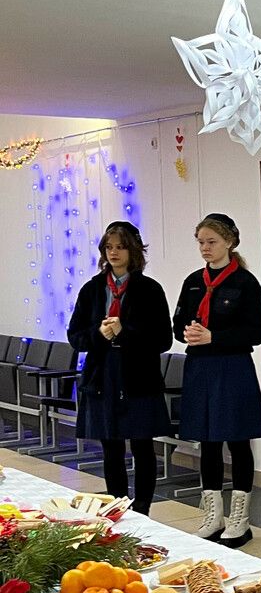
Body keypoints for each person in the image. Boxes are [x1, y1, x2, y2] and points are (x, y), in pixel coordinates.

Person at [173, 213, 261, 548]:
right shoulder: (193, 281)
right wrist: (188, 332)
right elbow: (178, 323)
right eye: (201, 242)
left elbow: (257, 331)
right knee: (208, 442)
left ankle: (240, 519)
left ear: (229, 242)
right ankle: (213, 515)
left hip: (232, 367)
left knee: (238, 440)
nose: (205, 248)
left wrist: (215, 336)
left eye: (211, 241)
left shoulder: (245, 282)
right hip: (200, 367)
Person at [67, 221, 172, 516]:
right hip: (103, 375)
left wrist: (125, 332)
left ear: (133, 250)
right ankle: (117, 506)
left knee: (142, 446)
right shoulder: (92, 289)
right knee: (111, 447)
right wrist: (99, 334)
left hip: (139, 376)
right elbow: (75, 337)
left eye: (120, 247)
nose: (113, 253)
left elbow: (163, 339)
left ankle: (143, 509)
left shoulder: (150, 289)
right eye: (109, 247)